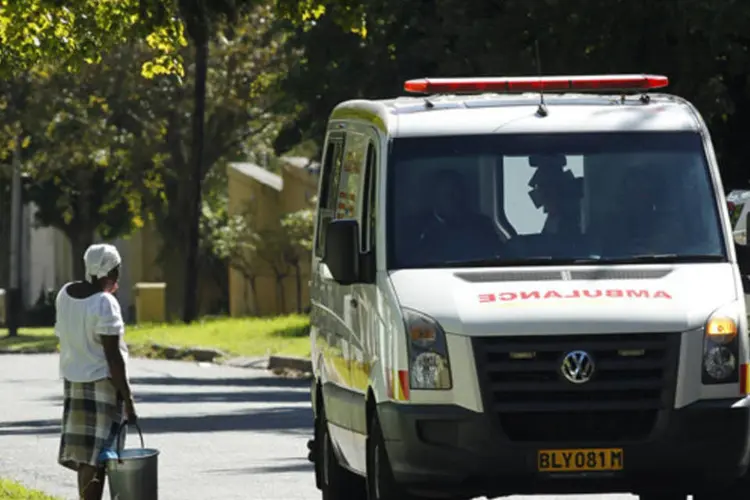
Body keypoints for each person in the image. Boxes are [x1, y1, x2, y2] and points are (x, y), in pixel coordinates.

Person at [56, 243, 137, 500]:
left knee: (85, 457)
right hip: (102, 384)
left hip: (74, 382)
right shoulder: (104, 303)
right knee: (100, 455)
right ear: (110, 271)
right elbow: (113, 358)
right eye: (117, 269)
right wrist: (128, 399)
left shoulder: (65, 294)